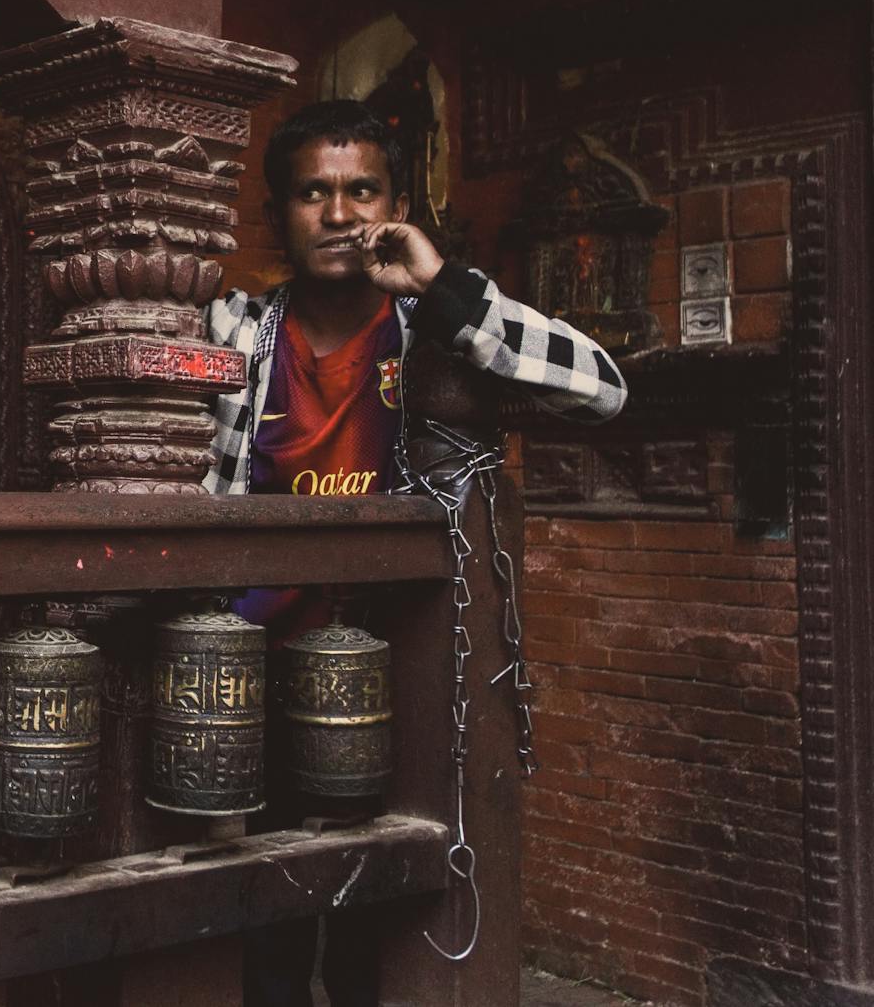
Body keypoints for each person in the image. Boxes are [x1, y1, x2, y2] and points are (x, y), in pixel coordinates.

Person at [205, 99, 627, 1006]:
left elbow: (602, 389)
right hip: (259, 669)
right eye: (313, 192)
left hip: (391, 676)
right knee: (268, 925)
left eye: (364, 190)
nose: (341, 213)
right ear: (280, 212)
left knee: (375, 930)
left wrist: (444, 289)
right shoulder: (237, 331)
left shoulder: (431, 330)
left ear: (397, 205)